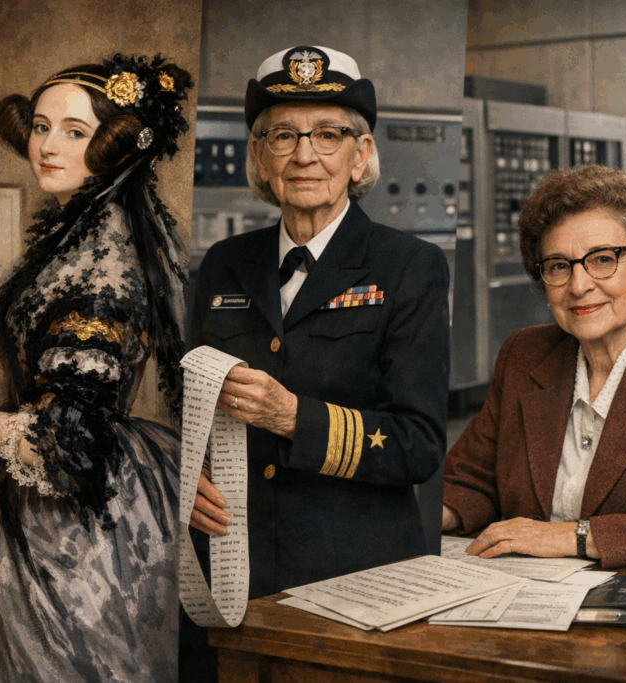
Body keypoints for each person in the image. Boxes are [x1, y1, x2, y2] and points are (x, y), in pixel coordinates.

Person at [183, 45, 449, 679]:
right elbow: (185, 396)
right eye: (284, 135)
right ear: (259, 155)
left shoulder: (408, 267)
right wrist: (182, 469)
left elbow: (418, 444)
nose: (305, 155)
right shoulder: (223, 264)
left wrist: (291, 417)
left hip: (352, 587)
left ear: (360, 155)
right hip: (230, 578)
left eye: (328, 134)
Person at [0, 54, 192, 681]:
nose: (47, 146)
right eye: (41, 126)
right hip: (52, 494)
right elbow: (43, 349)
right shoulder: (81, 223)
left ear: (115, 147)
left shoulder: (104, 265)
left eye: (75, 132)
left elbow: (62, 449)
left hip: (77, 522)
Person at [442, 165, 626, 568]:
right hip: (521, 599)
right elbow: (469, 479)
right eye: (559, 266)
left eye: (602, 259)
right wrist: (432, 513)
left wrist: (571, 537)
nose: (578, 286)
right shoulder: (524, 355)